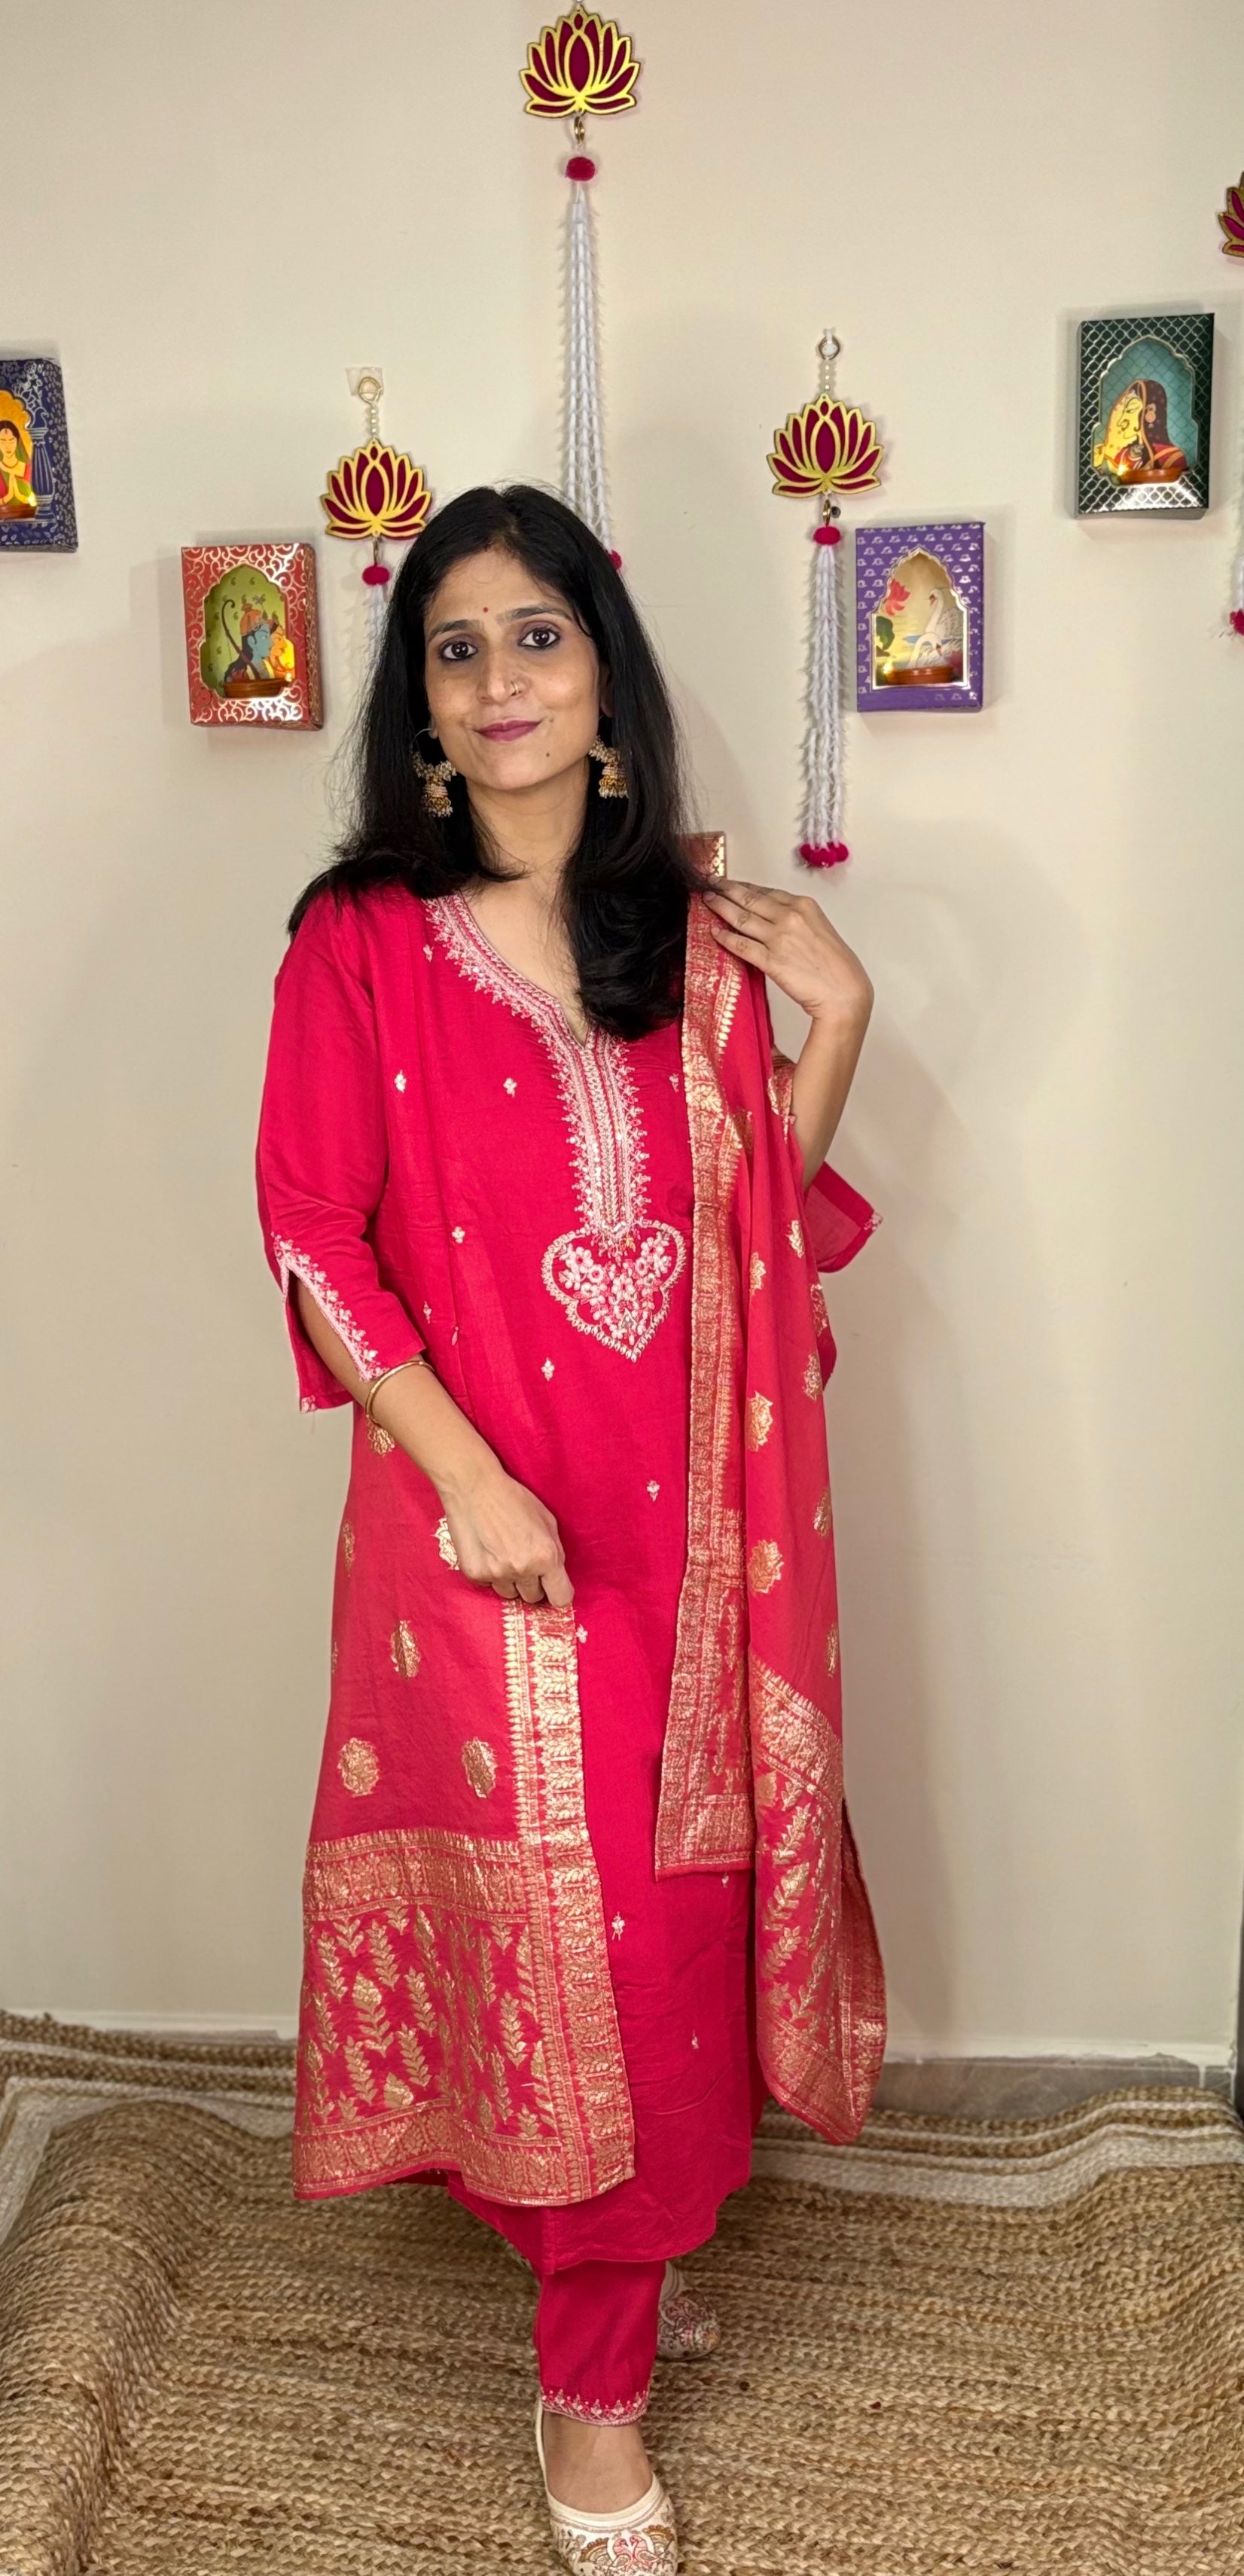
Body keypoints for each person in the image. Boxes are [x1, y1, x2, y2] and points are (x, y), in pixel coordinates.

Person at [255, 483, 886, 2571]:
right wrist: (468, 1479)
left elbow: (753, 1248)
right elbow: (313, 1239)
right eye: (455, 649)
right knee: (566, 1922)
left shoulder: (688, 939)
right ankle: (589, 2405)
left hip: (696, 1544)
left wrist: (836, 1037)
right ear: (417, 713)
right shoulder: (357, 940)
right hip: (487, 1547)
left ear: (602, 676)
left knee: (663, 1922)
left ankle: (603, 2289)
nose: (498, 679)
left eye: (536, 635)